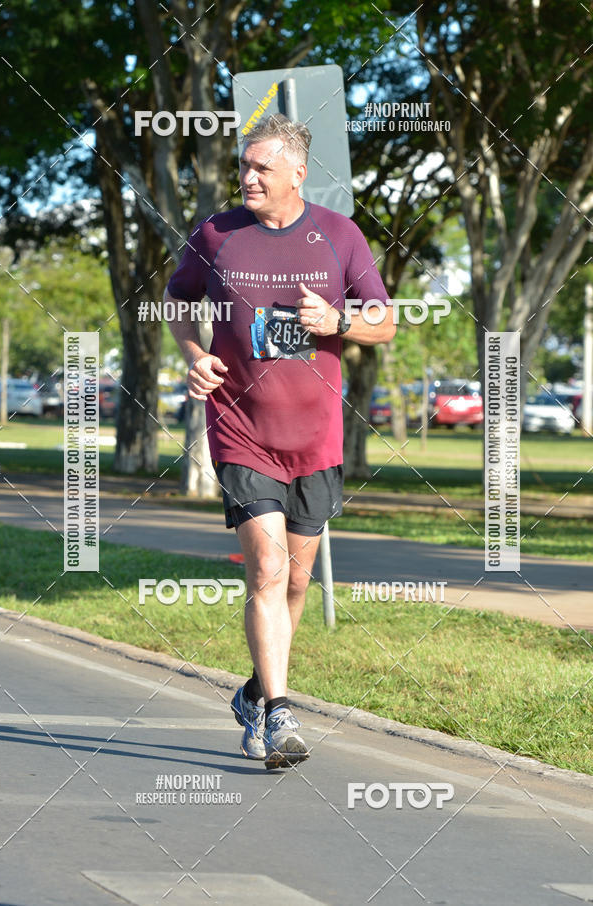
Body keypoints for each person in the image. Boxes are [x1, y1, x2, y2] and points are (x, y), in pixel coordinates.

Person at [165, 113, 395, 770]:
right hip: (240, 432)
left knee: (296, 581)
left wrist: (340, 319)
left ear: (298, 173)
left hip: (315, 440)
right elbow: (179, 298)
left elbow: (385, 322)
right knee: (266, 570)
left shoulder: (339, 236)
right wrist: (193, 350)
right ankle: (280, 710)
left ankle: (255, 695)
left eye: (261, 167)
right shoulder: (216, 234)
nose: (247, 177)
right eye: (243, 166)